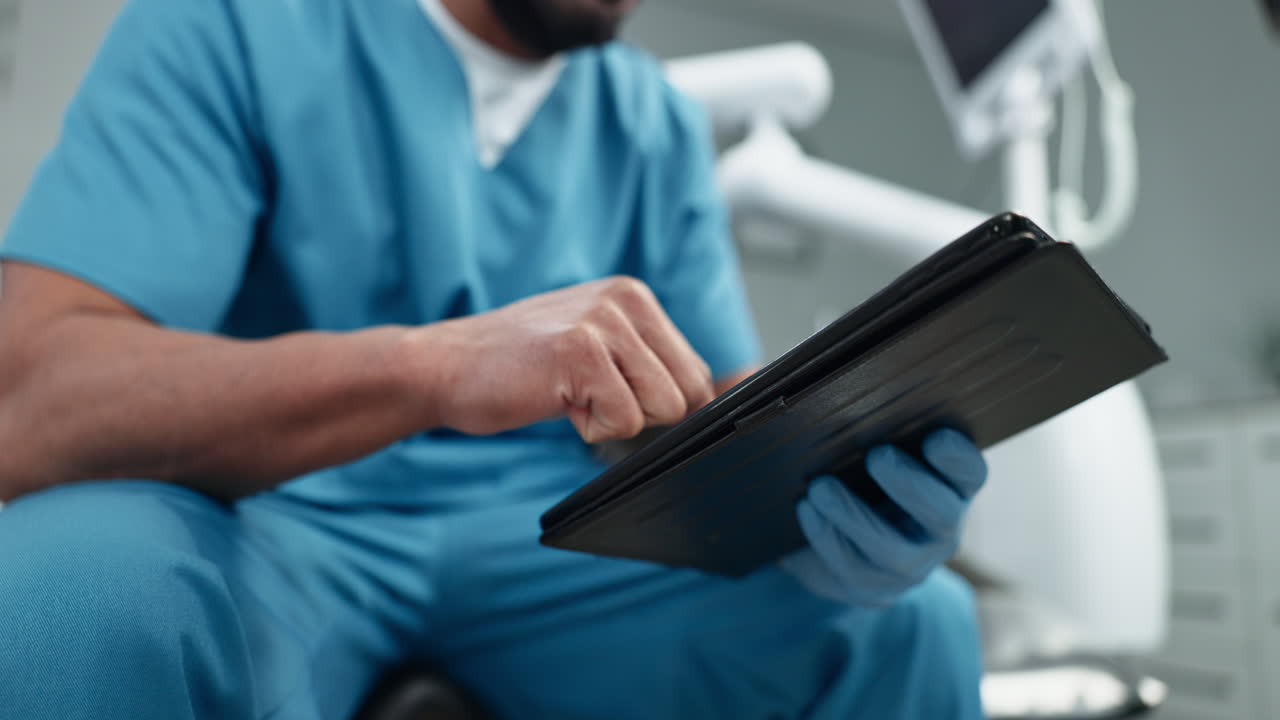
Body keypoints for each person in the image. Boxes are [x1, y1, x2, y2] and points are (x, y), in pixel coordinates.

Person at [0, 0, 989, 717]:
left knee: (915, 624)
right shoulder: (235, 27)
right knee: (77, 581)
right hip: (272, 522)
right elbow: (34, 400)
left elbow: (689, 416)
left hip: (559, 549)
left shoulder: (646, 119)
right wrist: (435, 367)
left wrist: (818, 492)